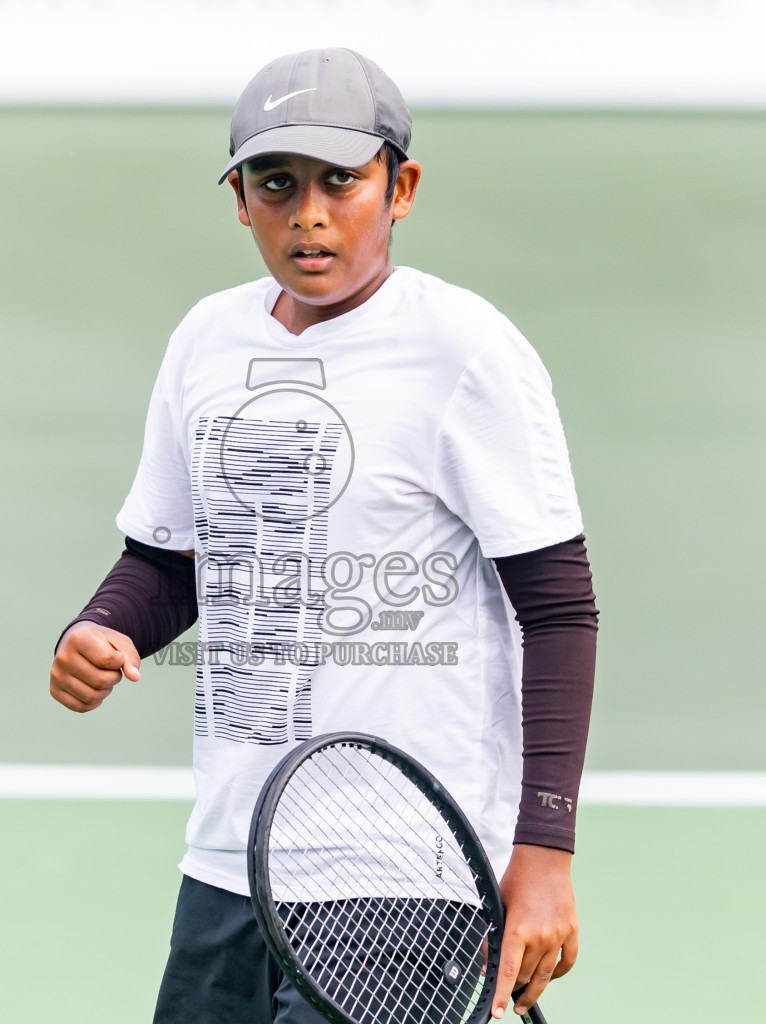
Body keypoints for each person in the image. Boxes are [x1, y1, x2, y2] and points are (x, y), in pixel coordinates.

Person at [51, 47, 599, 1024]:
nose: (308, 212)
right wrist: (104, 628)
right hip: (230, 864)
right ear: (238, 198)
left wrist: (545, 854)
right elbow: (172, 558)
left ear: (402, 187)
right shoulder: (205, 342)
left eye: (341, 181)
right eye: (277, 183)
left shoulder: (466, 352)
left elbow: (558, 609)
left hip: (403, 876)